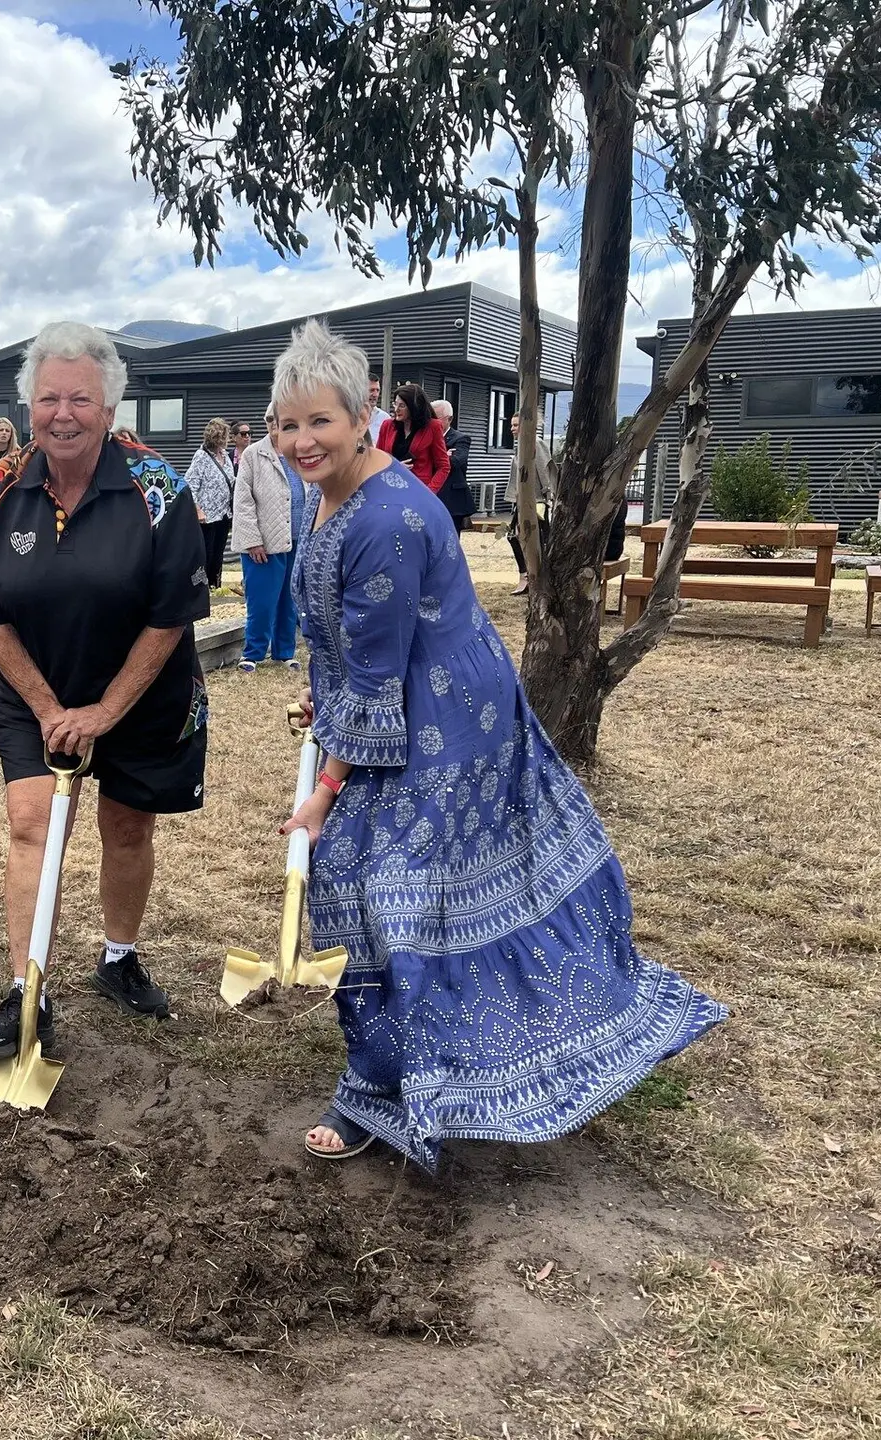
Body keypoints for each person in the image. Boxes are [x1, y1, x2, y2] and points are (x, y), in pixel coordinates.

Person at [269, 319, 725, 1172]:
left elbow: (378, 671)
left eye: (318, 421)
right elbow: (356, 640)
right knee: (393, 887)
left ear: (364, 411)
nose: (301, 441)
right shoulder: (325, 490)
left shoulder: (391, 518)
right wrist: (320, 697)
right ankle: (390, 1076)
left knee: (379, 881)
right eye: (286, 424)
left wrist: (324, 793)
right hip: (402, 699)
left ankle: (392, 1082)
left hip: (448, 729)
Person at [0, 321, 211, 1056]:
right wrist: (48, 708)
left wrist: (102, 713)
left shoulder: (160, 489)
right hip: (36, 688)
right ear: (28, 406)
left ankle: (118, 958)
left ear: (109, 407)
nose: (62, 414)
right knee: (33, 825)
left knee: (128, 827)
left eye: (81, 400)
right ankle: (24, 988)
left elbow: (170, 619)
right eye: (48, 399)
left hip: (141, 692)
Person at [229, 407, 302, 671]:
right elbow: (243, 501)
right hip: (263, 542)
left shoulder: (298, 451)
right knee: (261, 602)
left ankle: (284, 652)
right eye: (270, 419)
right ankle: (252, 654)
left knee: (289, 600)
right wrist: (252, 540)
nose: (275, 424)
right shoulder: (253, 454)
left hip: (296, 538)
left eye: (280, 419)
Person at [184, 417, 238, 589]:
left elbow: (231, 479)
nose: (225, 440)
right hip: (206, 515)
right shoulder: (201, 456)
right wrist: (197, 509)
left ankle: (215, 585)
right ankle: (200, 588)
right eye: (223, 436)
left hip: (223, 512)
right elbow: (190, 484)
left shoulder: (225, 456)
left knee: (218, 553)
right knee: (205, 553)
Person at [506, 413, 551, 597]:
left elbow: (544, 469)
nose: (512, 429)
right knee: (514, 535)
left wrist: (549, 495)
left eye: (516, 425)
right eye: (511, 425)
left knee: (536, 538)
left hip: (535, 500)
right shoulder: (521, 446)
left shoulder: (536, 443)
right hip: (522, 499)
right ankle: (528, 576)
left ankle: (533, 578)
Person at [375, 384, 449, 493]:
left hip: (418, 491)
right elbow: (377, 459)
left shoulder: (433, 426)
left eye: (402, 406)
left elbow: (444, 466)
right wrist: (395, 468)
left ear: (414, 407)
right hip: (389, 489)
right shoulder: (387, 425)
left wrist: (429, 493)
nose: (396, 409)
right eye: (395, 404)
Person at [433, 399, 475, 535]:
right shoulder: (427, 437)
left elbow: (456, 461)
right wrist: (444, 455)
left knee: (451, 539)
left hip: (452, 500)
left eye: (436, 417)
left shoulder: (460, 438)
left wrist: (437, 456)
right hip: (432, 494)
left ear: (449, 419)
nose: (432, 421)